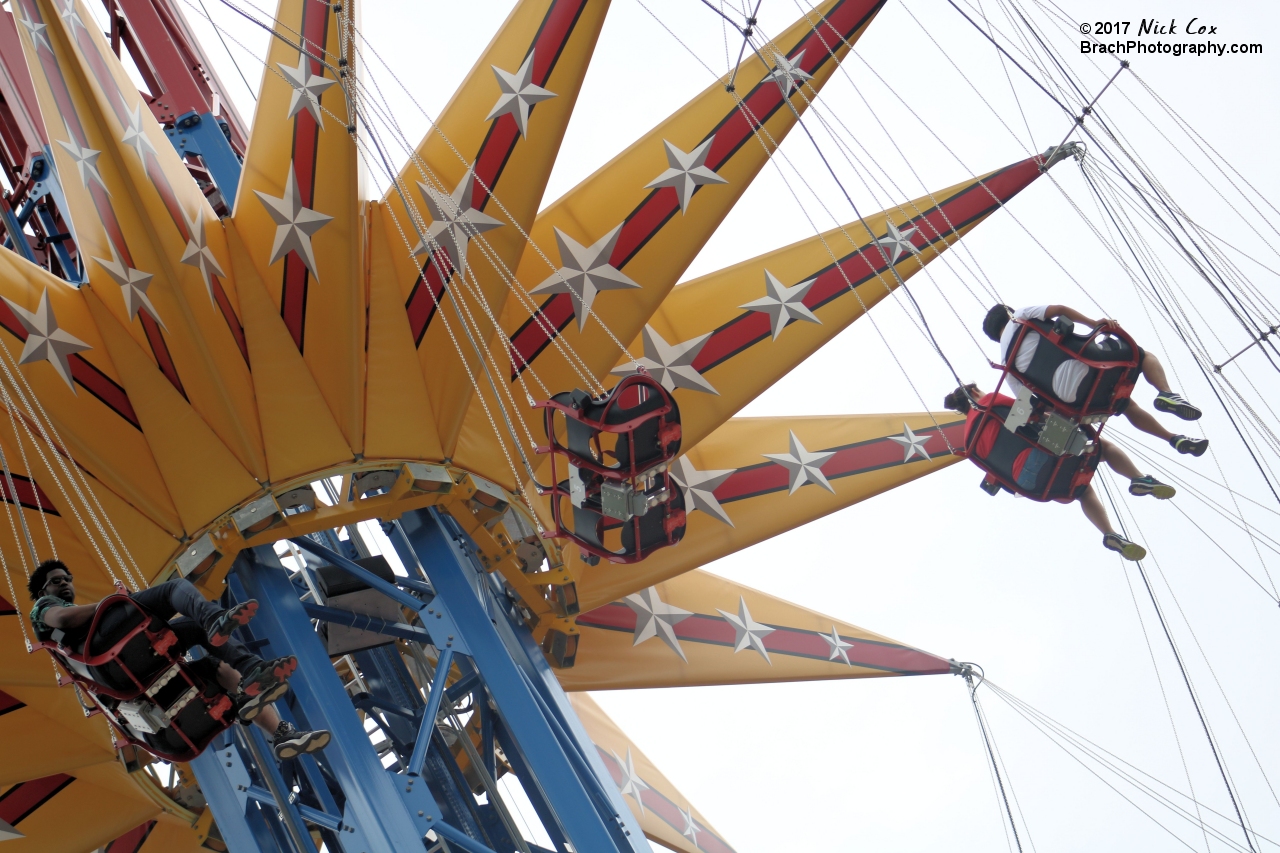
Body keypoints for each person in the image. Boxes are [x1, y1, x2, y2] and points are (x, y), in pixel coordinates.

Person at [27, 560, 330, 760]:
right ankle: (215, 620)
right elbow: (64, 618)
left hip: (132, 668)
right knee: (174, 589)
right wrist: (117, 601)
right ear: (44, 591)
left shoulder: (77, 636)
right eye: (57, 581)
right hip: (116, 650)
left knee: (214, 662)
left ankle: (274, 722)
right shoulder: (44, 609)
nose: (65, 584)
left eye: (67, 579)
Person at [945, 383, 1173, 561]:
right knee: (1104, 447)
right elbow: (1025, 411)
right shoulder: (987, 400)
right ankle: (1138, 478)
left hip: (1030, 483)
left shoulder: (968, 444)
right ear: (974, 391)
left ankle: (1109, 533)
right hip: (1041, 454)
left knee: (1081, 489)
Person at [982, 304, 1209, 457]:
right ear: (1007, 312)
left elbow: (1027, 404)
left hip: (1076, 400)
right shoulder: (1020, 316)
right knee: (1142, 355)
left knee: (1124, 405)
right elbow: (1059, 310)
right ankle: (1166, 393)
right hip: (1089, 364)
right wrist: (1093, 323)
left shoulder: (1006, 364)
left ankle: (1173, 439)